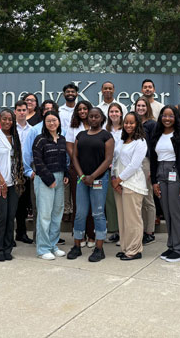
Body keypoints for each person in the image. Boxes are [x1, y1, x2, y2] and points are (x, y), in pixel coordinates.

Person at [67, 107, 114, 262]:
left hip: (99, 179)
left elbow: (108, 160)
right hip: (83, 180)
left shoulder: (107, 136)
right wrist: (82, 176)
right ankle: (77, 246)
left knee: (98, 214)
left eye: (96, 116)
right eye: (91, 116)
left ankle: (99, 248)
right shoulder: (80, 135)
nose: (93, 119)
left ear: (101, 119)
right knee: (80, 213)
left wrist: (93, 176)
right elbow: (75, 157)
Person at [149, 106, 180, 262]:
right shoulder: (156, 136)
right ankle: (172, 246)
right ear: (160, 117)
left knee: (177, 212)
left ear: (176, 118)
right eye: (164, 116)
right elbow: (153, 161)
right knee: (167, 212)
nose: (167, 119)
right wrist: (154, 182)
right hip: (161, 173)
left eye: (171, 116)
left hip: (176, 174)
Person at [0, 109, 26, 262]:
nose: (7, 122)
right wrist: (1, 180)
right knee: (2, 216)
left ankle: (8, 247)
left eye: (10, 119)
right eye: (4, 119)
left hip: (13, 183)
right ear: (0, 120)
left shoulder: (16, 138)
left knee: (11, 216)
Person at [111, 112, 148, 260]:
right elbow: (115, 160)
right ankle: (126, 247)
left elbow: (134, 165)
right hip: (119, 184)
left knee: (133, 219)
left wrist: (118, 179)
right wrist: (114, 178)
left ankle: (135, 250)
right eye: (126, 122)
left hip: (133, 185)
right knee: (123, 219)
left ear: (137, 123)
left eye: (132, 123)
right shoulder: (121, 140)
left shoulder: (140, 142)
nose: (128, 125)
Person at [32, 110, 69, 260]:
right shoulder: (40, 140)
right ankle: (43, 248)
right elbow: (38, 161)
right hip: (45, 180)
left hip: (60, 178)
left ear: (58, 122)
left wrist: (66, 174)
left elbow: (63, 159)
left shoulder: (62, 139)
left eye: (54, 120)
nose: (52, 123)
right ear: (44, 124)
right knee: (44, 215)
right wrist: (49, 179)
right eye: (48, 121)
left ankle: (53, 246)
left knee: (57, 213)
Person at [66, 100, 96, 245]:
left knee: (92, 203)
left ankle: (92, 235)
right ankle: (80, 235)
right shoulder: (73, 127)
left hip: (94, 169)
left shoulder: (96, 125)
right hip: (76, 169)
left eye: (85, 109)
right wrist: (78, 162)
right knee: (78, 204)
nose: (83, 111)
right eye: (80, 109)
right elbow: (70, 147)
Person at [134, 97, 157, 245]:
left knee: (148, 197)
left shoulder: (152, 124)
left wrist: (152, 169)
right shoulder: (133, 122)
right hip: (134, 162)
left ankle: (149, 231)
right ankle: (141, 230)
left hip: (146, 162)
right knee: (138, 197)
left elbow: (155, 146)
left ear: (147, 107)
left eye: (143, 105)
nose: (141, 108)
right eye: (138, 105)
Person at [14, 100, 34, 244]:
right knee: (12, 203)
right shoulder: (10, 128)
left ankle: (21, 233)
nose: (22, 112)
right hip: (12, 170)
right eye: (19, 110)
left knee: (24, 203)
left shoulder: (32, 130)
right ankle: (10, 234)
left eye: (24, 110)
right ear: (15, 111)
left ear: (27, 112)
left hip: (27, 170)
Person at [105, 103, 124, 244]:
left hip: (123, 169)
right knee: (110, 201)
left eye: (116, 111)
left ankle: (124, 232)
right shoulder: (105, 130)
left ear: (121, 113)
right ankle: (115, 231)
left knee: (122, 201)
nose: (114, 114)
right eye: (111, 111)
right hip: (108, 169)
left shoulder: (126, 129)